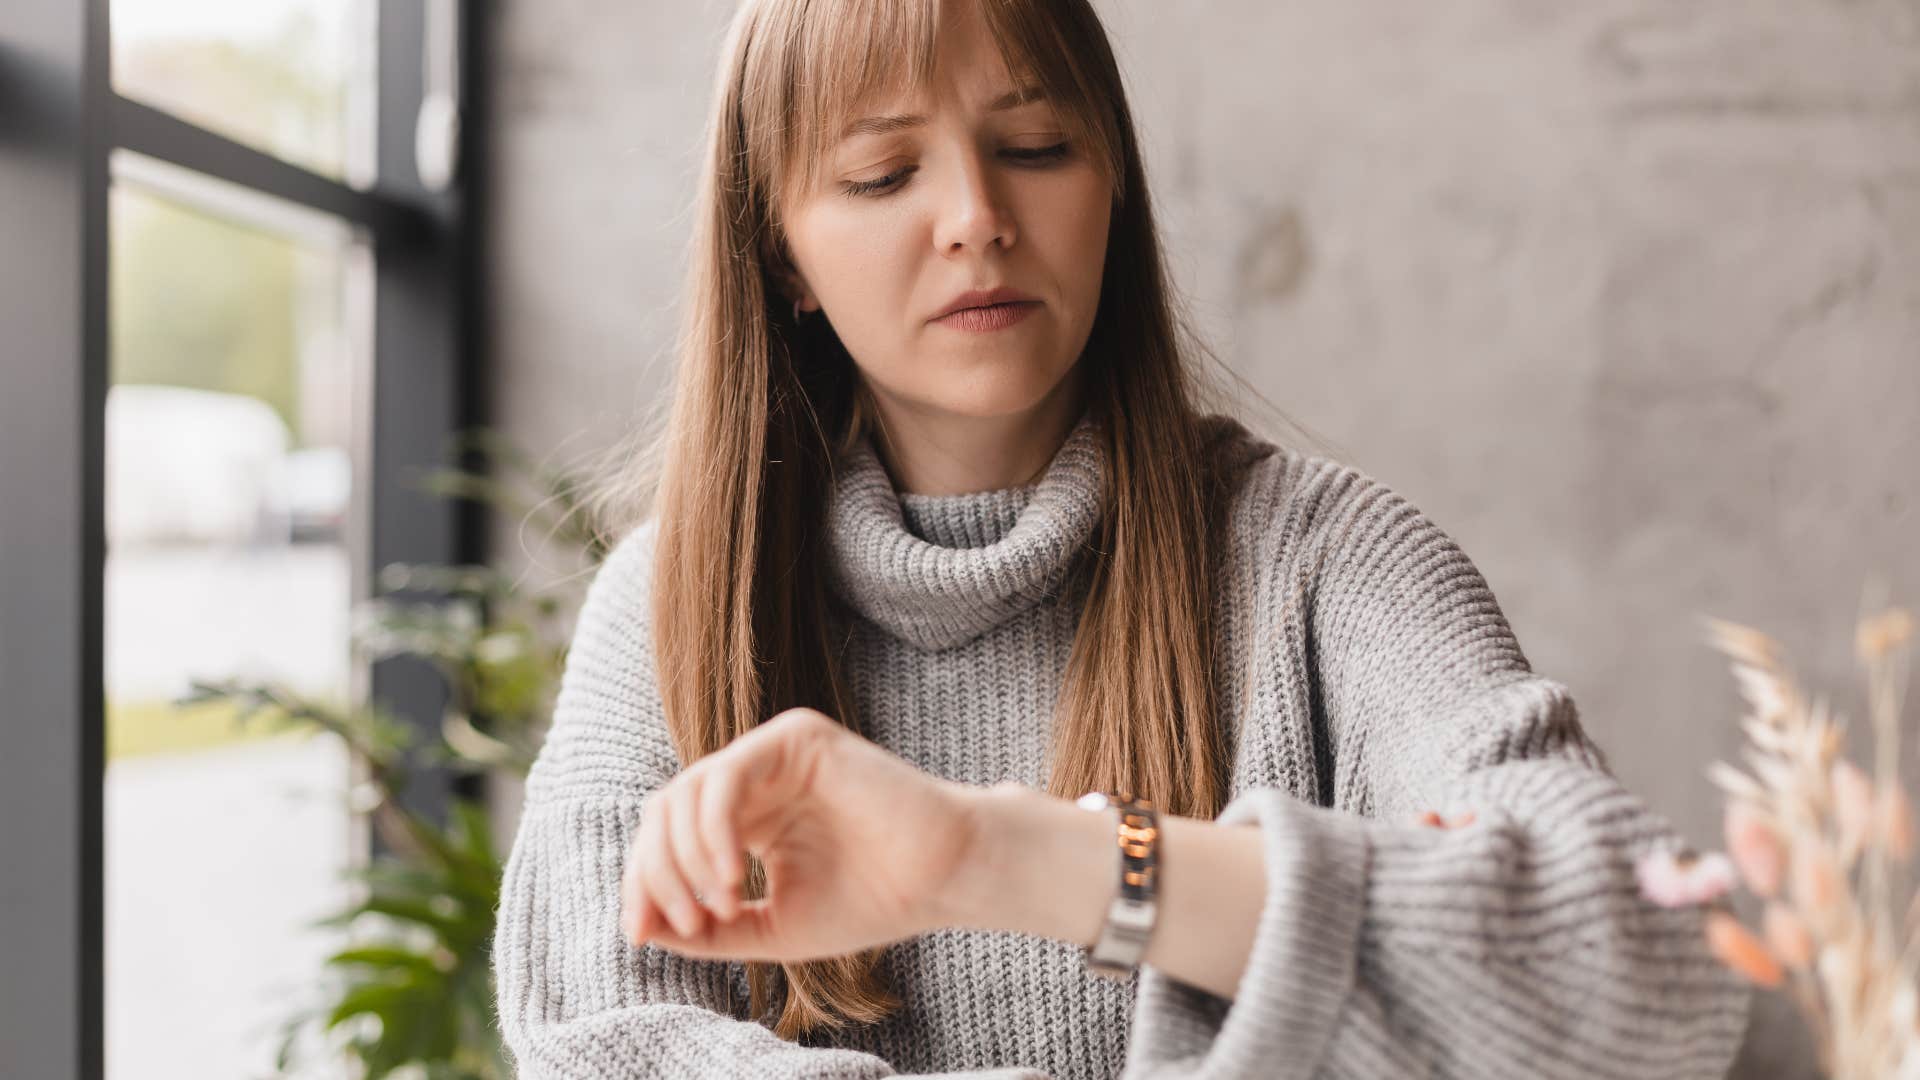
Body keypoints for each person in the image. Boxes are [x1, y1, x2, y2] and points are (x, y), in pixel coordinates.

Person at [491, 0, 1753, 1076]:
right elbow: (593, 1046)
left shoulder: (1332, 562)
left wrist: (1005, 857)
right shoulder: (670, 603)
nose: (977, 216)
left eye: (1036, 145)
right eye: (884, 174)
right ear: (782, 257)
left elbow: (1651, 975)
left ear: (1112, 185)